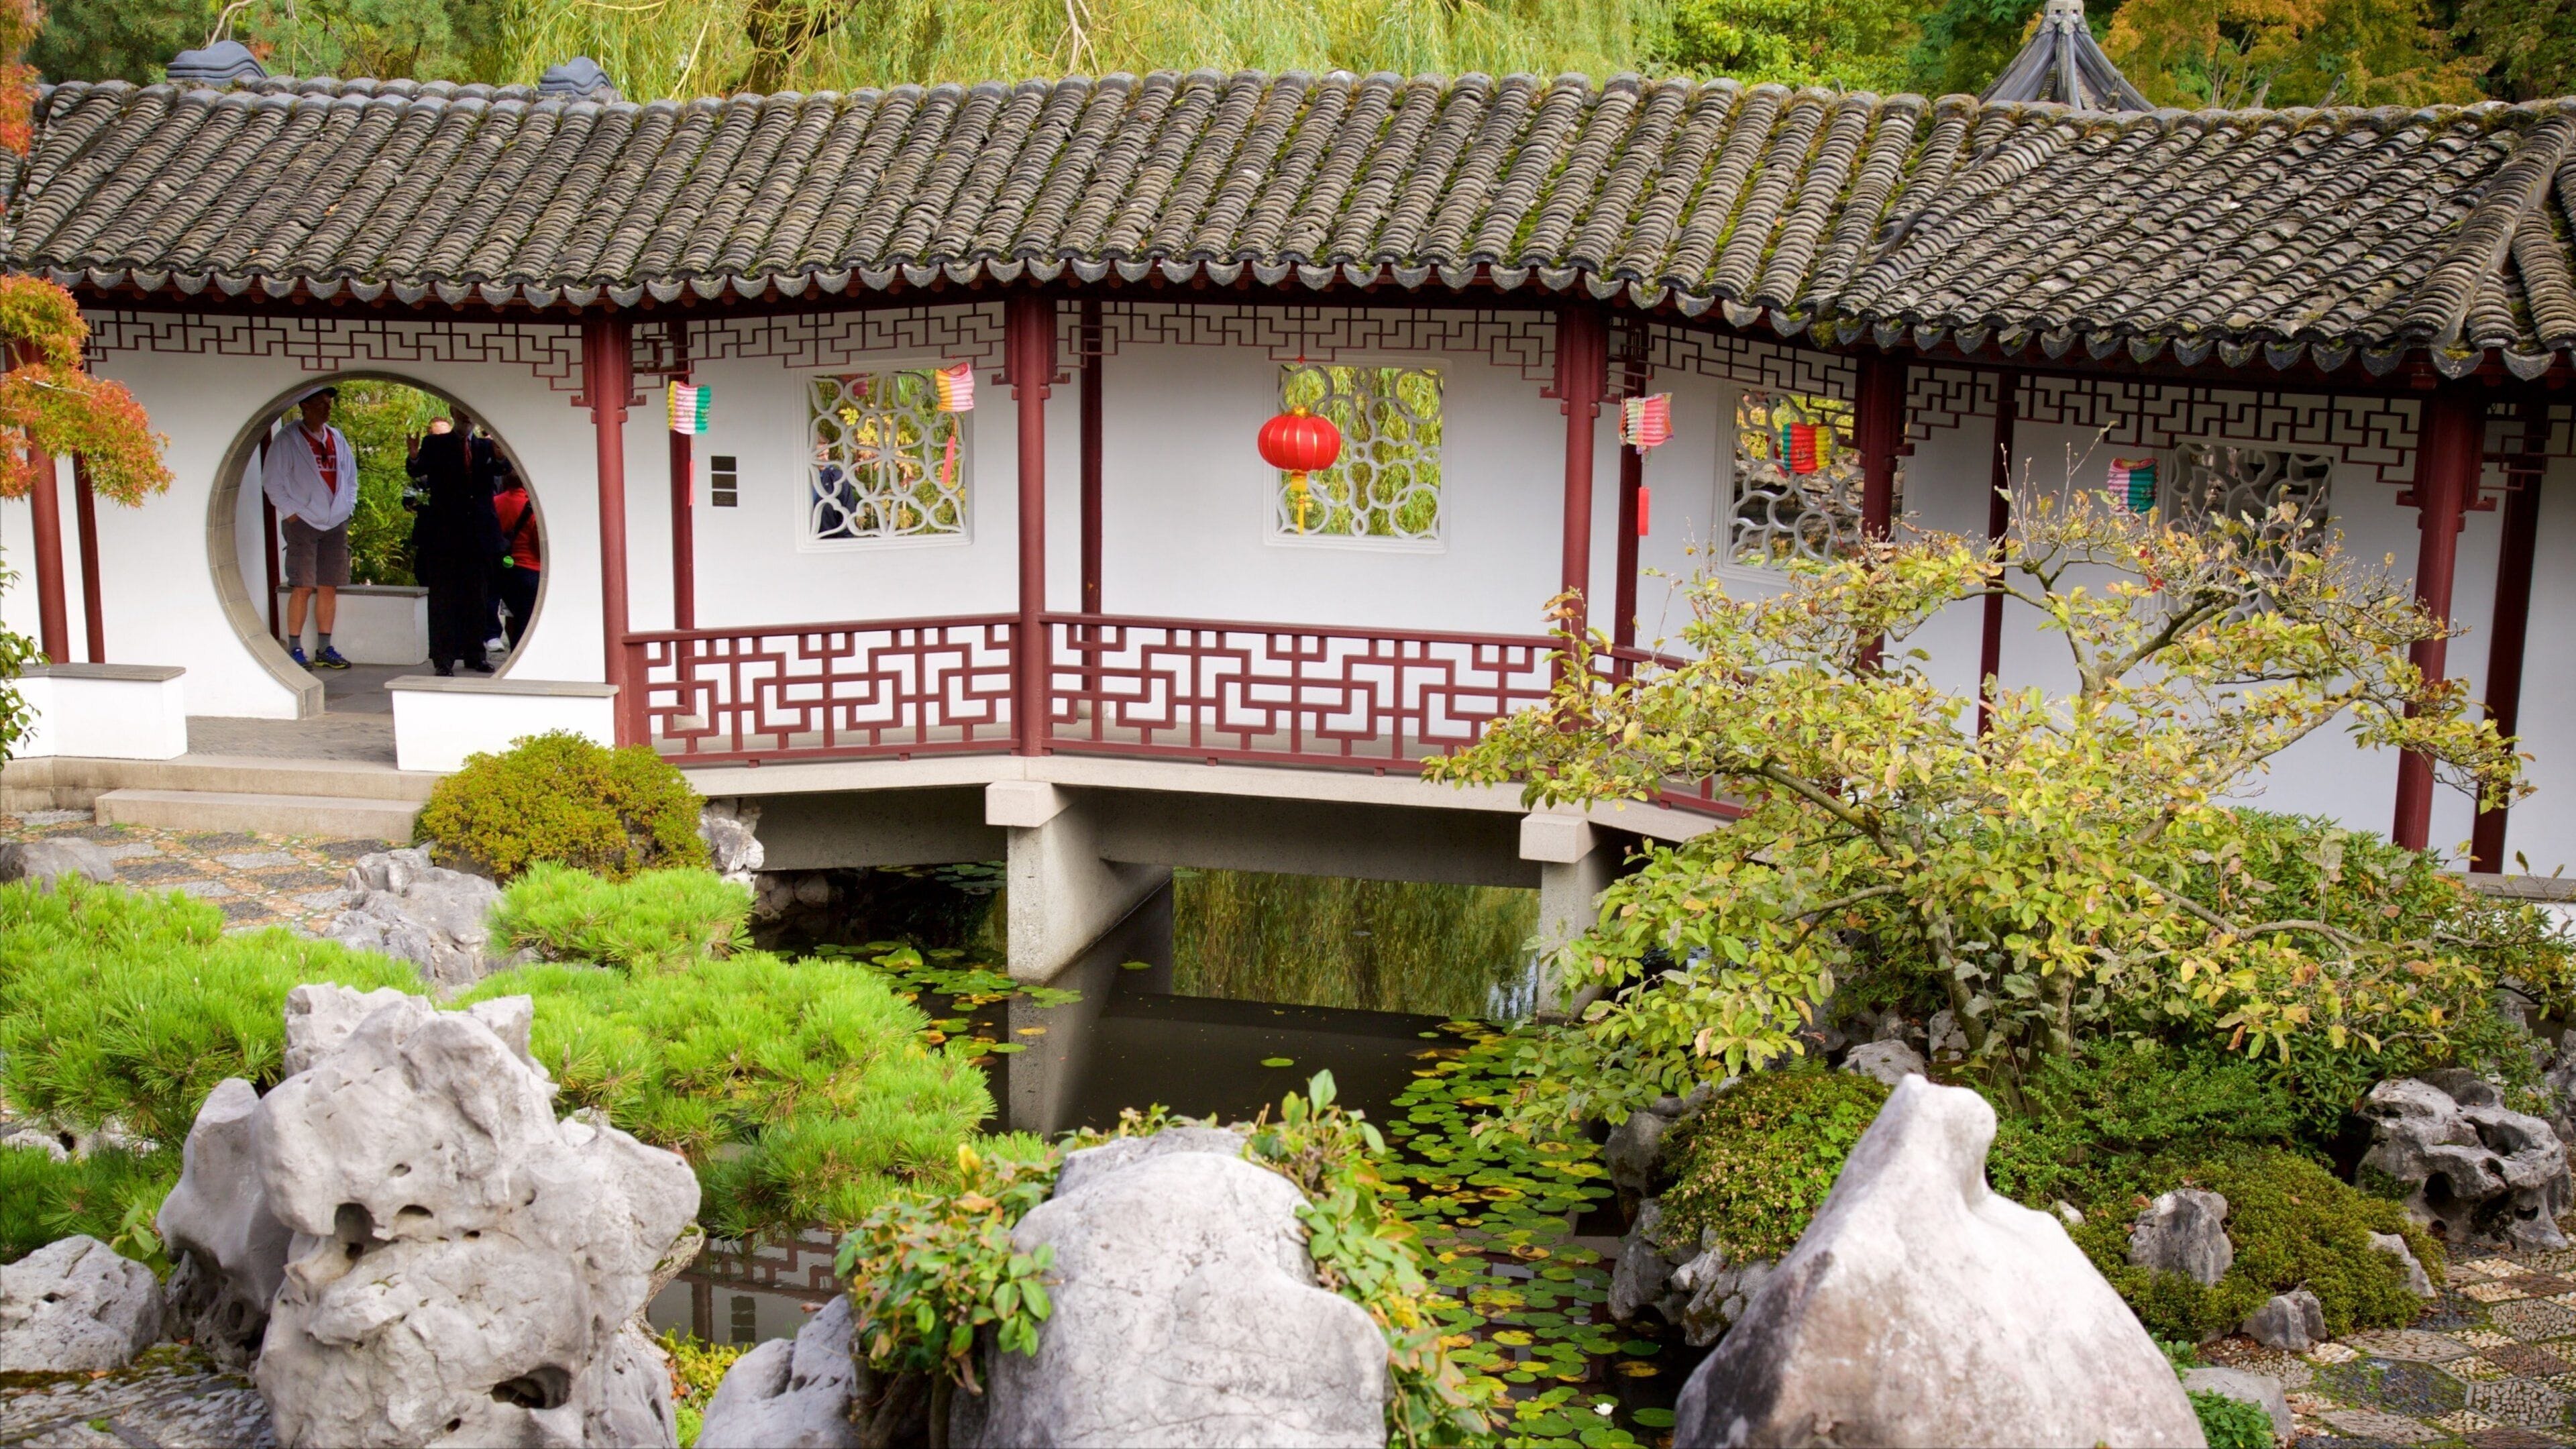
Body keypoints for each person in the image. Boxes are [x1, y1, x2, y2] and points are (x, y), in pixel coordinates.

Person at [259, 388, 356, 669]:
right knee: (302, 585)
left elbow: (351, 478)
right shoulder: (288, 439)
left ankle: (325, 648)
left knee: (329, 584)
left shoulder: (337, 437)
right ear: (305, 407)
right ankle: (295, 647)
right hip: (303, 521)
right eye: (321, 404)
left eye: (329, 403)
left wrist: (346, 508)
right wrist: (291, 514)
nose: (327, 409)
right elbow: (272, 481)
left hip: (335, 521)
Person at [407, 411, 505, 676]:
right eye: (461, 415)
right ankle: (444, 659)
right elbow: (417, 470)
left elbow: (502, 470)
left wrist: (498, 455)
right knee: (443, 599)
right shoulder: (436, 444)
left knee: (478, 597)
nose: (467, 419)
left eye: (470, 416)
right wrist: (414, 455)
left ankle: (476, 655)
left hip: (479, 535)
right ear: (454, 414)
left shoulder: (485, 445)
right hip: (445, 535)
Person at [490, 461, 540, 652]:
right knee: (526, 619)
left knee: (510, 613)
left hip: (504, 569)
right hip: (530, 569)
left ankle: (513, 651)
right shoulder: (533, 507)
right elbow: (537, 543)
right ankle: (522, 656)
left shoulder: (495, 502)